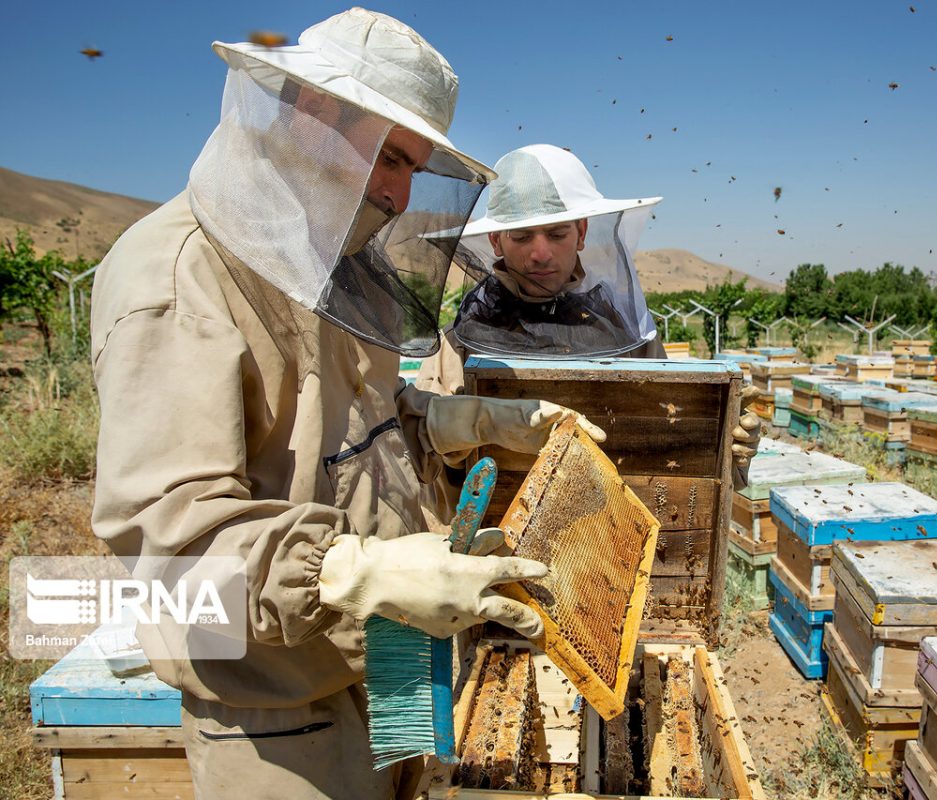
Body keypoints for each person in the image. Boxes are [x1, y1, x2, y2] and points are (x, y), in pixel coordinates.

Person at [89, 11, 601, 799]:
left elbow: (363, 423)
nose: (399, 193)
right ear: (310, 115)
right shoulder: (176, 280)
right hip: (281, 708)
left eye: (415, 167)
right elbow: (163, 545)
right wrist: (355, 573)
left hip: (387, 657)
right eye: (391, 158)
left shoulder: (328, 259)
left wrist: (467, 421)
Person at [416, 144, 760, 479]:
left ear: (581, 233)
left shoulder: (628, 336)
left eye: (557, 234)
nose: (540, 254)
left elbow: (670, 445)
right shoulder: (455, 345)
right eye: (521, 236)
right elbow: (425, 468)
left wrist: (724, 443)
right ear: (496, 241)